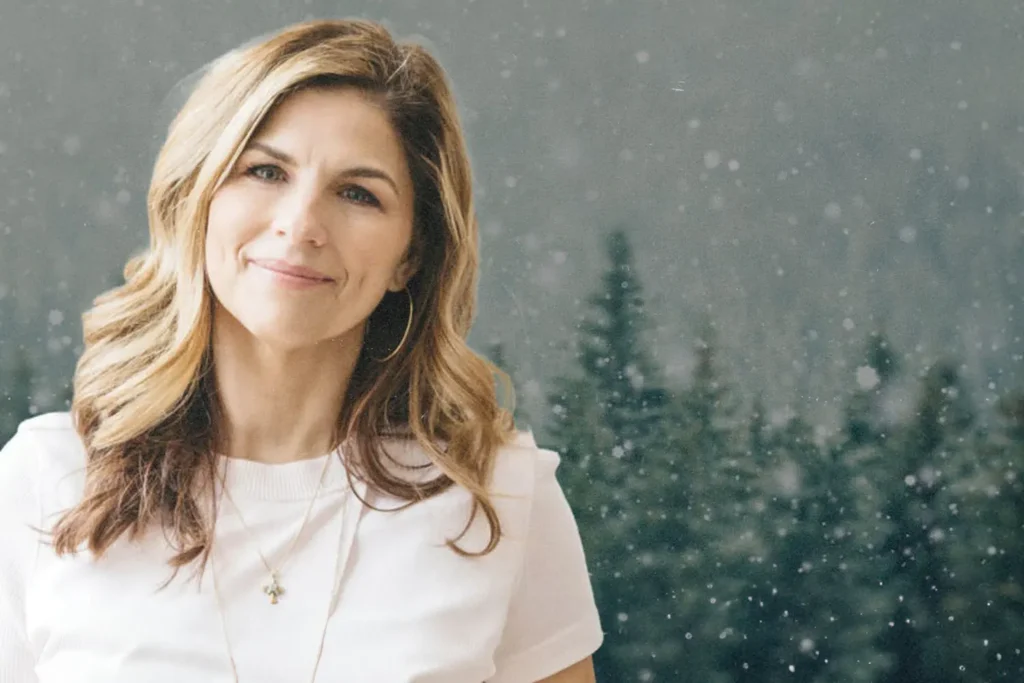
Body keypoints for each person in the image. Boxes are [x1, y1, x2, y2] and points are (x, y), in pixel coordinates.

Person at [0, 18, 603, 683]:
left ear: (413, 253)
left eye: (357, 193)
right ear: (195, 199)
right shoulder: (43, 481)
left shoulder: (497, 496)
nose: (301, 224)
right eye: (264, 170)